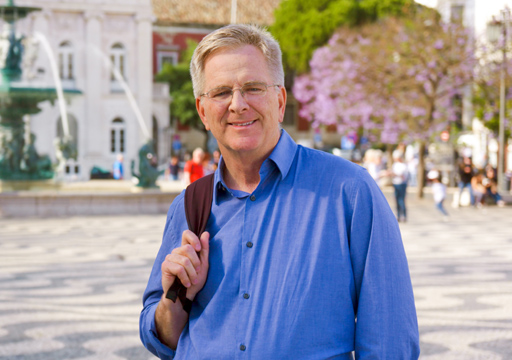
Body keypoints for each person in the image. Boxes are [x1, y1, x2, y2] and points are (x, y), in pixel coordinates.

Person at [140, 24, 419, 359]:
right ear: (203, 111)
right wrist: (176, 298)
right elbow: (163, 338)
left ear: (280, 100)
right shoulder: (189, 206)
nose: (238, 104)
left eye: (253, 88)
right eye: (221, 93)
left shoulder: (349, 193)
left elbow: (390, 340)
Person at [391, 149, 409, 222]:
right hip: (395, 183)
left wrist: (394, 174)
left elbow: (403, 176)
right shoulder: (395, 165)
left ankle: (404, 215)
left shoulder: (404, 165)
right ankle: (398, 215)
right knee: (396, 200)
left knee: (401, 200)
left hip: (402, 184)